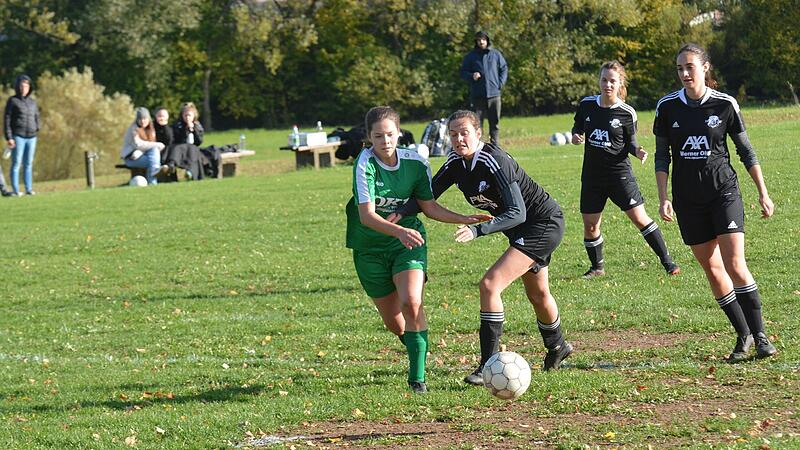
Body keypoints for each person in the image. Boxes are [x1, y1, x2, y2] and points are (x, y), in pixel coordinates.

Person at [394, 110, 573, 385]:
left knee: (490, 284)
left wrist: (477, 230)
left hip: (542, 224)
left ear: (478, 134)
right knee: (538, 294)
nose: (458, 139)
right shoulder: (455, 162)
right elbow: (427, 196)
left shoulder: (493, 160)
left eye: (464, 133)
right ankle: (558, 346)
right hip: (522, 230)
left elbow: (518, 212)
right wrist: (398, 213)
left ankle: (487, 365)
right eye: (453, 134)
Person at [346, 106, 489, 394]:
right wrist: (398, 230)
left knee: (412, 302)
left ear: (399, 133)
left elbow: (429, 206)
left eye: (390, 134)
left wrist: (464, 218)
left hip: (408, 243)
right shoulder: (365, 163)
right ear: (369, 138)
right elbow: (367, 216)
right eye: (378, 136)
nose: (385, 141)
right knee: (395, 325)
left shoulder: (416, 162)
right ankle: (415, 345)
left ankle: (417, 380)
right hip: (369, 248)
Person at [653, 43, 777, 362]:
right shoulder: (667, 107)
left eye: (689, 67)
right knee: (711, 267)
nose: (684, 73)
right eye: (680, 68)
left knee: (735, 264)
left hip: (723, 192)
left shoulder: (725, 104)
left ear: (705, 67)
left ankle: (761, 337)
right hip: (687, 200)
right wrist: (664, 198)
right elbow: (662, 156)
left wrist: (763, 192)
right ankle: (743, 335)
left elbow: (746, 151)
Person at [571, 61, 680, 278]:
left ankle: (668, 262)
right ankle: (597, 268)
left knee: (640, 218)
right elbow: (578, 126)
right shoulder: (586, 105)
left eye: (612, 81)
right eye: (604, 80)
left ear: (620, 83)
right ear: (599, 81)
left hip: (619, 175)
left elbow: (630, 143)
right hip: (592, 176)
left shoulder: (626, 112)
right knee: (590, 225)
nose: (607, 85)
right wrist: (576, 135)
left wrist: (638, 151)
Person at [459, 31, 507, 145]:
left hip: (494, 95)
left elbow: (504, 68)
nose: (481, 42)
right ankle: (478, 146)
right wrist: (472, 76)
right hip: (478, 95)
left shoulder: (495, 54)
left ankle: (495, 146)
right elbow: (463, 72)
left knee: (495, 123)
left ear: (487, 41)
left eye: (483, 39)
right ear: (476, 41)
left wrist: (500, 84)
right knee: (477, 124)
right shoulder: (471, 57)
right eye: (479, 40)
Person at [3, 75, 40, 196]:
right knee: (16, 164)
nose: (25, 88)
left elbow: (37, 116)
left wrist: (37, 127)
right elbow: (7, 120)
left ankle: (29, 189)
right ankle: (16, 190)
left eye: (27, 86)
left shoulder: (32, 102)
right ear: (18, 87)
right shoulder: (12, 101)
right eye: (22, 86)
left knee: (28, 164)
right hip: (18, 136)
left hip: (32, 137)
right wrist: (9, 137)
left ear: (30, 87)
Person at [120, 107, 165, 185]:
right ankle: (153, 182)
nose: (142, 121)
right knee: (154, 162)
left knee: (154, 153)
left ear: (148, 119)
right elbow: (138, 144)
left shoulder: (151, 129)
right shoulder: (133, 129)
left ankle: (153, 178)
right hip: (131, 158)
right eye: (140, 119)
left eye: (145, 118)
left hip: (144, 155)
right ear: (137, 120)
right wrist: (159, 145)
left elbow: (149, 146)